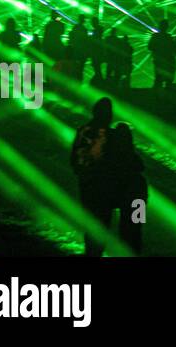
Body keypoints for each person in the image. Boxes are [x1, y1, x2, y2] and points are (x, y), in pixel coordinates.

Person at [70, 97, 116, 256]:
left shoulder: (83, 130)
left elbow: (74, 156)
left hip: (87, 182)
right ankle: (96, 251)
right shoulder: (111, 135)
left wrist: (81, 172)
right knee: (103, 220)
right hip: (104, 184)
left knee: (91, 219)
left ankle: (91, 251)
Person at [108, 124, 148, 254]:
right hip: (139, 195)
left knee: (125, 228)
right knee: (136, 228)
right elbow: (140, 167)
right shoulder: (131, 155)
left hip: (127, 196)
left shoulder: (112, 156)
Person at [148, 19, 176, 89]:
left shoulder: (155, 36)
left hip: (159, 60)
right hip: (167, 61)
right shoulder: (168, 37)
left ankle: (156, 96)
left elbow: (150, 47)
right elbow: (174, 49)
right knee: (167, 80)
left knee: (158, 78)